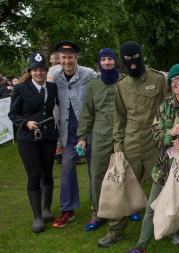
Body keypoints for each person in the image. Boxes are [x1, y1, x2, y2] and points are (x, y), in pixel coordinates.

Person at [97, 41, 168, 247]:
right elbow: (119, 118)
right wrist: (118, 146)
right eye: (127, 59)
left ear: (141, 56)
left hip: (155, 145)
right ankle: (115, 232)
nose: (132, 63)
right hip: (131, 146)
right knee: (122, 189)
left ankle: (169, 228)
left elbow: (168, 107)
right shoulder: (122, 86)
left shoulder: (157, 79)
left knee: (163, 188)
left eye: (135, 58)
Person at [127, 63, 179, 253]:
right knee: (153, 206)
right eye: (175, 79)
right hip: (164, 166)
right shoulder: (164, 105)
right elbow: (156, 135)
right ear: (170, 83)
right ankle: (141, 246)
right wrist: (170, 135)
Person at [47, 40, 97, 228]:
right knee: (67, 168)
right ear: (58, 58)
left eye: (71, 57)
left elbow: (105, 85)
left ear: (76, 57)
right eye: (64, 57)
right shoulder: (54, 74)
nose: (67, 61)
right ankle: (68, 209)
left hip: (90, 130)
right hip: (68, 134)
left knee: (96, 169)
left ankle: (98, 206)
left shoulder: (89, 74)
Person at [8, 52, 59, 233]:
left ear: (46, 70)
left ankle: (46, 209)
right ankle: (37, 216)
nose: (38, 73)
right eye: (35, 70)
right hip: (28, 139)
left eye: (41, 70)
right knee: (34, 174)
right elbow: (12, 114)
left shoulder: (52, 87)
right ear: (30, 71)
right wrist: (26, 122)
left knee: (47, 172)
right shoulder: (21, 88)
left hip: (48, 137)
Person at [76, 48, 120, 231]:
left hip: (122, 132)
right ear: (99, 63)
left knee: (123, 172)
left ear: (115, 61)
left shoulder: (124, 81)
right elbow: (87, 113)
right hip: (100, 134)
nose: (107, 62)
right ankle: (97, 211)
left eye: (110, 59)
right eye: (103, 60)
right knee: (97, 174)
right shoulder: (93, 85)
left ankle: (124, 209)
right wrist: (82, 137)